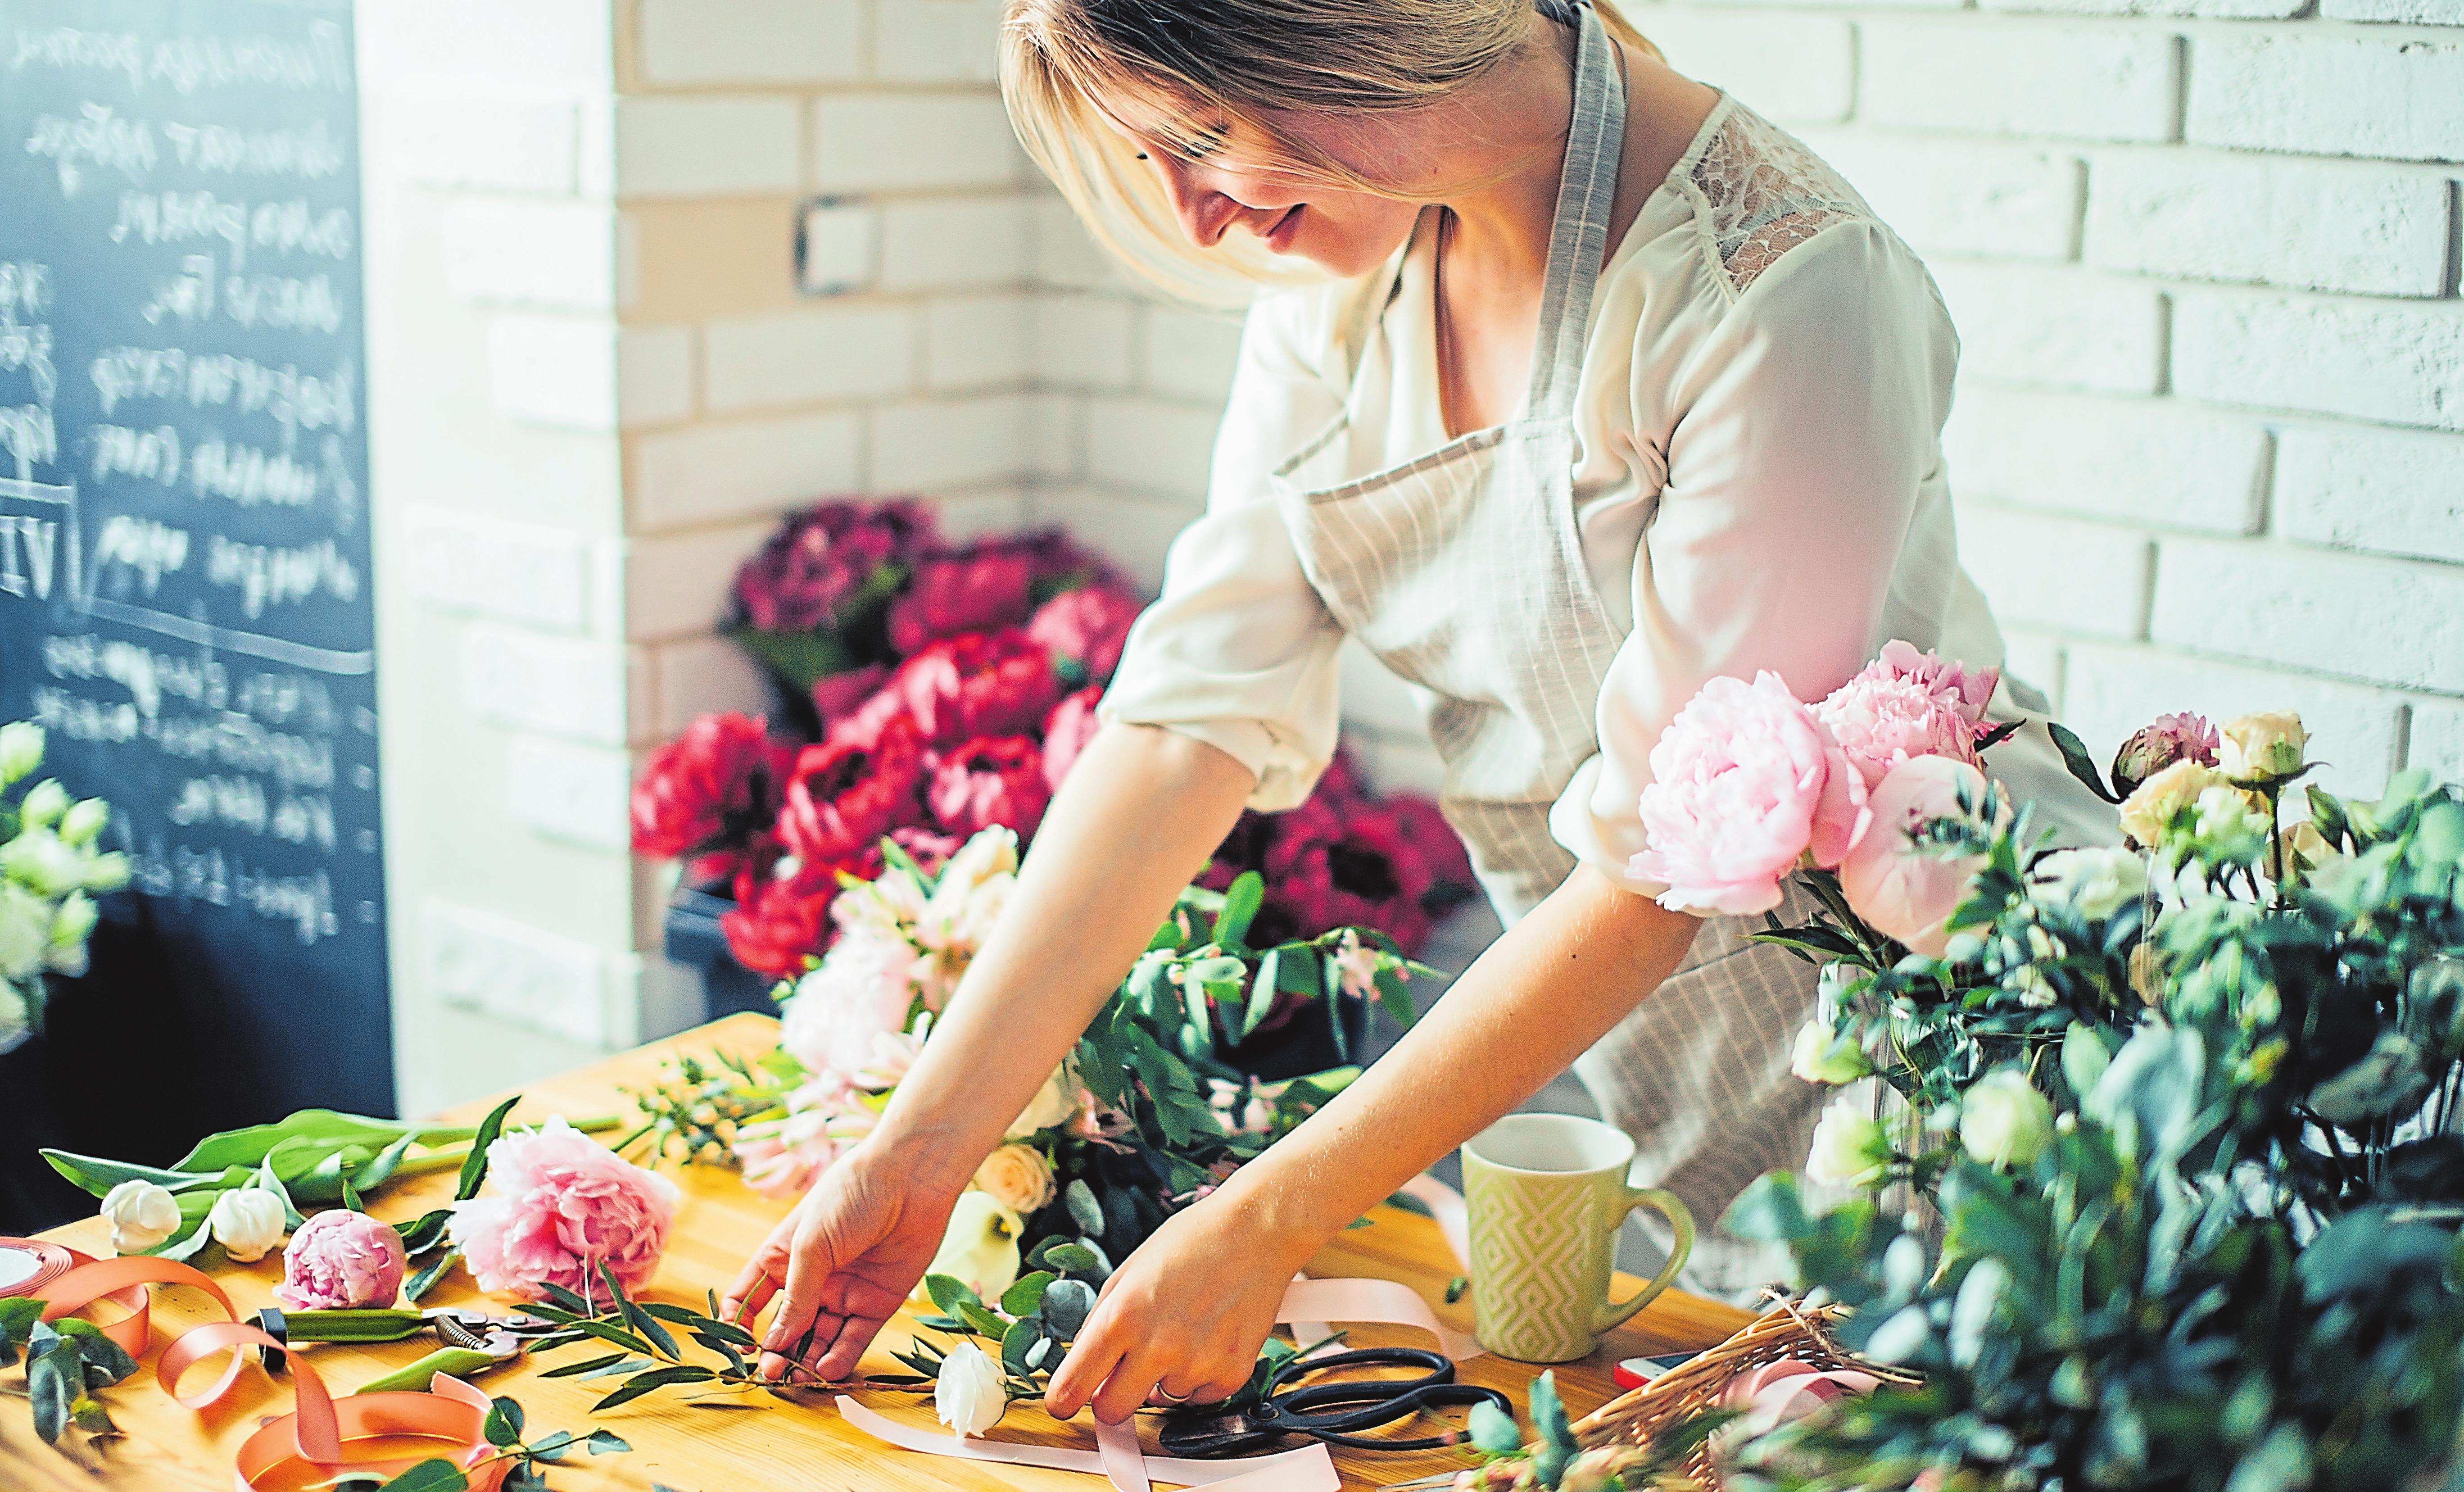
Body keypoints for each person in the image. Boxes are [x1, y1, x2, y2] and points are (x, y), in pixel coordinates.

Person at [722, 0, 2113, 1424]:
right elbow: (1183, 723)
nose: (1195, 218)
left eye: (1206, 136)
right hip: (1652, 1081)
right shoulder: (1345, 279)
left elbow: (1659, 873)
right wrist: (921, 1147)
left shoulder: (1786, 291)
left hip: (1932, 1069)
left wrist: (1269, 1222)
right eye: (1155, 159)